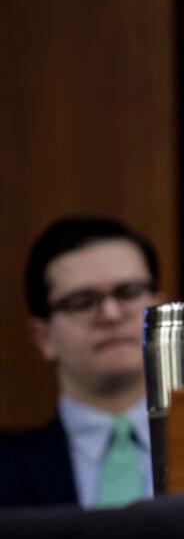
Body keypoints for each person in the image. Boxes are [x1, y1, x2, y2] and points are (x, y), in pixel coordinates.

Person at [0, 217, 162, 507]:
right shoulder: (6, 470)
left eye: (130, 292)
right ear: (43, 337)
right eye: (82, 301)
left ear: (162, 312)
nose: (111, 314)